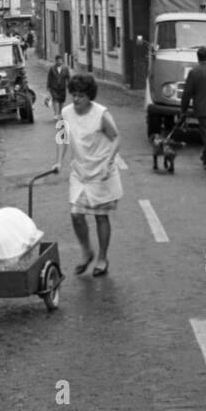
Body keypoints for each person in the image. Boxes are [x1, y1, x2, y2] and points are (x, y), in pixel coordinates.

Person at [55, 73, 122, 276]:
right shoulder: (65, 113)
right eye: (74, 94)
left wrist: (109, 162)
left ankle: (102, 258)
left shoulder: (101, 113)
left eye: (81, 96)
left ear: (89, 97)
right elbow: (61, 138)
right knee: (76, 214)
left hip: (101, 171)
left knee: (101, 217)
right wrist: (59, 161)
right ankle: (86, 251)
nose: (76, 99)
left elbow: (116, 137)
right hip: (80, 170)